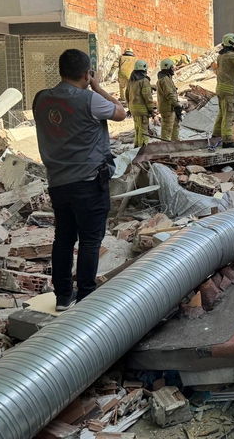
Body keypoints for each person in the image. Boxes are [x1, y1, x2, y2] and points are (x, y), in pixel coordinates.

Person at [33, 49, 126, 311]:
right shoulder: (89, 100)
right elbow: (120, 112)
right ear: (87, 74)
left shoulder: (40, 99)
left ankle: (63, 296)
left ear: (61, 71)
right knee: (89, 240)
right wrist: (97, 87)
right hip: (88, 182)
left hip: (58, 183)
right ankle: (86, 297)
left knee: (63, 238)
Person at [127, 59, 156, 147]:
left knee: (137, 129)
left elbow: (126, 95)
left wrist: (129, 107)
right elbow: (148, 96)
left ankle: (136, 147)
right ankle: (142, 150)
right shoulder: (144, 81)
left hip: (133, 109)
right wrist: (151, 109)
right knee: (143, 131)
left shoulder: (131, 81)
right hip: (142, 110)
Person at [156, 58, 182, 142]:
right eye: (172, 67)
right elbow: (169, 94)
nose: (173, 69)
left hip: (171, 108)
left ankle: (175, 143)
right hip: (167, 109)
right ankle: (165, 146)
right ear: (167, 67)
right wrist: (177, 105)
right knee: (167, 130)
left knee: (175, 126)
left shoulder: (166, 78)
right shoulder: (165, 80)